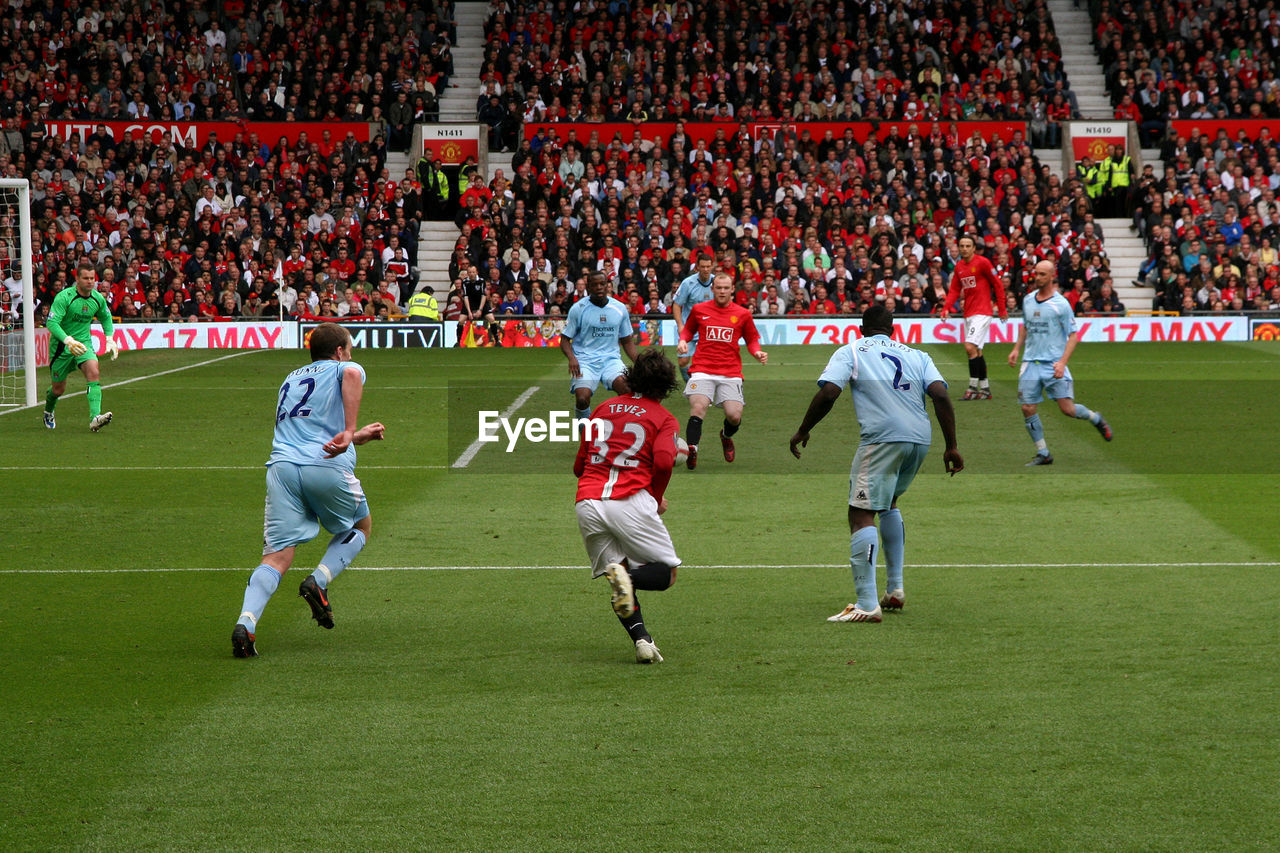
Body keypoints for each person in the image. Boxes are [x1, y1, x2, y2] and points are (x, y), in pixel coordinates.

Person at [789, 305, 963, 622]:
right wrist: (951, 446)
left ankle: (867, 603)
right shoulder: (917, 354)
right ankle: (895, 589)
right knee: (889, 503)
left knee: (860, 513)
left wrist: (803, 429)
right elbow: (940, 395)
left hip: (883, 438)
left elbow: (829, 392)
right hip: (919, 439)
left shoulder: (852, 350)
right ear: (893, 330)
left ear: (861, 328)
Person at [231, 323, 386, 657]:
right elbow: (352, 377)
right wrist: (349, 430)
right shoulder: (346, 366)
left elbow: (307, 429)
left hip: (282, 469)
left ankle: (246, 623)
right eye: (350, 347)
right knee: (361, 526)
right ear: (340, 350)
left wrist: (354, 438)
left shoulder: (291, 378)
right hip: (325, 467)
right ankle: (319, 579)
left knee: (276, 555)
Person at [574, 348, 682, 664]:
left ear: (631, 378)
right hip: (630, 500)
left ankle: (643, 642)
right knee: (667, 574)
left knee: (616, 574)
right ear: (666, 388)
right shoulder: (664, 418)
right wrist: (655, 496)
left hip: (588, 501)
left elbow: (580, 465)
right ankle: (630, 581)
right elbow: (663, 462)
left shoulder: (604, 408)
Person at [1007, 261, 1113, 466]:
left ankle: (1095, 418)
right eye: (1035, 273)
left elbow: (1073, 335)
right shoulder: (1028, 300)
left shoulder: (1061, 304)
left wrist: (1062, 363)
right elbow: (1026, 327)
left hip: (1053, 364)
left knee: (1068, 409)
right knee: (1028, 408)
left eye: (1041, 274)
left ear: (1051, 276)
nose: (1036, 277)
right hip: (1030, 363)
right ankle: (1043, 453)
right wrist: (1016, 349)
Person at [677, 272, 768, 469]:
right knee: (699, 407)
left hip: (731, 372)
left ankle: (726, 436)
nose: (722, 291)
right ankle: (693, 449)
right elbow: (688, 330)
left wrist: (757, 353)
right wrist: (683, 340)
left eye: (726, 288)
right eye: (718, 288)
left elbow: (752, 340)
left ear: (732, 289)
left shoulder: (743, 314)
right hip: (702, 368)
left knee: (734, 416)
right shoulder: (700, 309)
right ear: (712, 289)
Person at [43, 261, 119, 431]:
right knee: (58, 389)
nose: (90, 281)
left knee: (94, 371)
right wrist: (68, 340)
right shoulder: (64, 297)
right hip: (62, 347)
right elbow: (52, 323)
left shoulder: (97, 298)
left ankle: (95, 418)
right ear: (77, 279)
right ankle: (48, 410)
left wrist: (109, 338)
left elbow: (106, 317)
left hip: (83, 344)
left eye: (92, 278)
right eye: (86, 278)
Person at [560, 271, 639, 422]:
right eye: (594, 285)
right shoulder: (578, 309)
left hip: (611, 360)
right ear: (588, 287)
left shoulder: (620, 308)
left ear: (608, 285)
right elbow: (564, 340)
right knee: (582, 399)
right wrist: (572, 358)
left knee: (628, 391)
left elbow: (627, 341)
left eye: (602, 284)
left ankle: (622, 431)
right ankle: (586, 435)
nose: (599, 287)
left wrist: (639, 362)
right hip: (585, 361)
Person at [941, 234, 1006, 400]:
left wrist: (1002, 308)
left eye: (967, 246)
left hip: (983, 312)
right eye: (961, 246)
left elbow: (997, 284)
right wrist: (946, 308)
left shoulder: (983, 262)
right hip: (969, 312)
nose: (964, 249)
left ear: (974, 248)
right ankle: (985, 389)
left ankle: (971, 388)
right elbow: (955, 290)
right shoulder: (959, 267)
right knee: (976, 351)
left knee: (969, 347)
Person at [670, 255, 716, 384]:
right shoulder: (688, 283)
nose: (706, 269)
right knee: (683, 361)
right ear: (697, 268)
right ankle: (691, 385)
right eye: (703, 267)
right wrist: (680, 325)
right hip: (689, 328)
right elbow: (677, 305)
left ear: (712, 266)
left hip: (708, 330)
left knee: (707, 361)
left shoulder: (717, 283)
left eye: (708, 266)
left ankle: (702, 388)